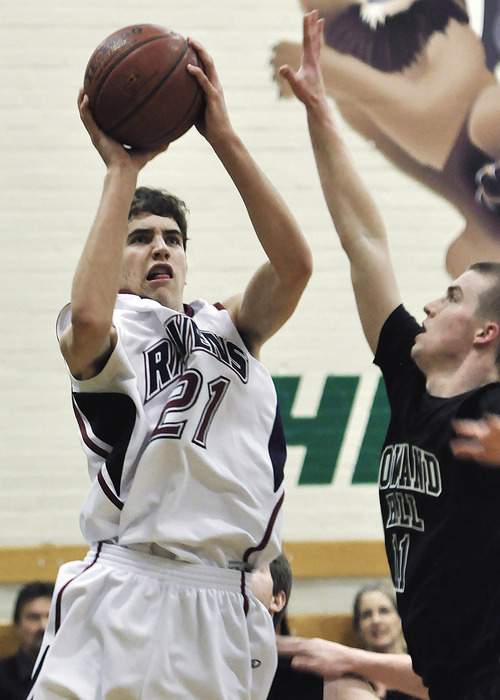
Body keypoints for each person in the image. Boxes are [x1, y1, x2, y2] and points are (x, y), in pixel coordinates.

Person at [29, 35, 312, 700]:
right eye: (141, 237)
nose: (161, 246)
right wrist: (120, 171)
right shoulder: (103, 322)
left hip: (228, 598)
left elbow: (296, 267)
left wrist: (224, 137)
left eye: (173, 238)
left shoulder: (230, 325)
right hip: (129, 584)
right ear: (114, 253)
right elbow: (92, 320)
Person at [277, 11, 500, 700]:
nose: (430, 305)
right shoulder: (409, 377)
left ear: (487, 331)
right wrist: (321, 114)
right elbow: (365, 241)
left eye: (451, 297)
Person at [271, 0, 500, 277]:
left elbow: (432, 119)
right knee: (464, 262)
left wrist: (330, 70)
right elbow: (420, 146)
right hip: (481, 216)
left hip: (480, 134)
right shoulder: (351, 74)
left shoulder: (443, 21)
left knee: (486, 123)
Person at [0, 582, 54, 700]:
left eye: (50, 617)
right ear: (17, 625)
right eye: (33, 617)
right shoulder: (2, 677)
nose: (43, 626)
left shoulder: (76, 673)